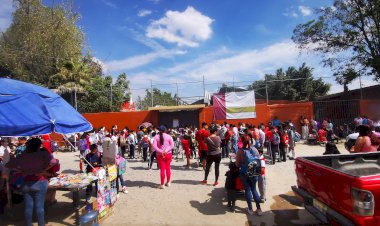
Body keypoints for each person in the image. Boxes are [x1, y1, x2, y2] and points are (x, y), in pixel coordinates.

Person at [6, 138, 55, 226]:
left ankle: (29, 224)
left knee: (28, 206)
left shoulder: (22, 155)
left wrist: (20, 170)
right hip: (40, 182)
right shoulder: (42, 154)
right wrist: (43, 170)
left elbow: (8, 165)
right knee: (39, 207)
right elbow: (54, 162)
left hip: (26, 182)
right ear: (39, 145)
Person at [235, 135, 263, 216]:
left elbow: (237, 164)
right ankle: (259, 209)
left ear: (242, 142)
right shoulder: (254, 149)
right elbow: (258, 159)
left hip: (245, 174)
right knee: (254, 189)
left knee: (247, 190)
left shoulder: (240, 151)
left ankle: (250, 209)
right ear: (250, 141)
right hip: (254, 173)